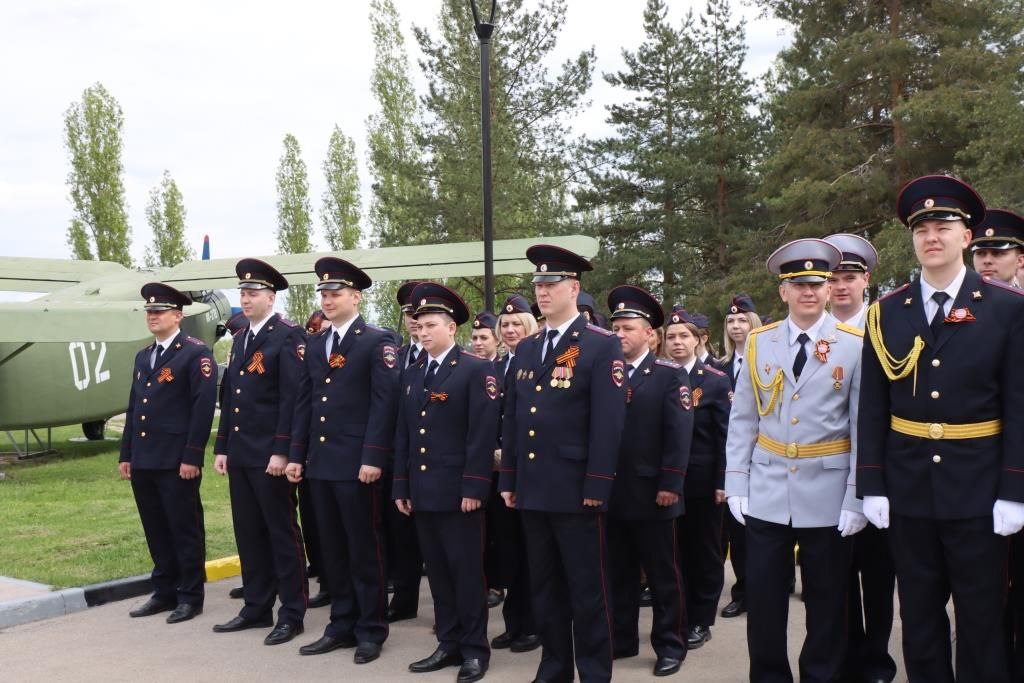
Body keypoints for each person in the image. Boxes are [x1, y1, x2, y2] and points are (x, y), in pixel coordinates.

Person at [859, 175, 1024, 682]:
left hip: (979, 491)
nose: (932, 236)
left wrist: (1014, 490)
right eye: (922, 228)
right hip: (909, 492)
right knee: (920, 618)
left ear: (966, 237)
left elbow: (1019, 404)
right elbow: (872, 405)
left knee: (981, 618)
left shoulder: (1006, 308)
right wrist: (872, 483)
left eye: (944, 225)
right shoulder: (886, 311)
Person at [726, 238, 867, 681]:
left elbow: (862, 426)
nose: (809, 291)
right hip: (767, 491)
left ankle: (821, 675)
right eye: (798, 284)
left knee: (827, 602)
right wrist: (736, 482)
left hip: (827, 491)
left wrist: (855, 497)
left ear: (829, 291)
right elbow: (743, 419)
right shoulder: (758, 342)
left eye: (818, 283)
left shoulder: (855, 344)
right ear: (783, 292)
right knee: (765, 602)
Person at [499, 245, 627, 683]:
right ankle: (553, 668)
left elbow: (609, 424)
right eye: (538, 284)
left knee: (587, 590)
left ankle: (593, 672)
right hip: (534, 489)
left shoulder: (599, 345)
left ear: (574, 287)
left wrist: (598, 483)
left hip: (576, 489)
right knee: (545, 586)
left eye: (551, 284)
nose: (543, 291)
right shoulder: (529, 347)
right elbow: (516, 418)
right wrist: (511, 477)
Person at [287, 257, 399, 664]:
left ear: (356, 296)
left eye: (335, 293)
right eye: (324, 294)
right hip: (321, 462)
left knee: (363, 546)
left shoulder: (376, 341)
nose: (327, 299)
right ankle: (341, 622)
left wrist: (373, 456)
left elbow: (384, 404)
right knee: (332, 549)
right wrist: (297, 454)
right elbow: (306, 402)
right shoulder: (316, 343)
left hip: (357, 464)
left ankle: (371, 629)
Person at [393, 282, 500, 683]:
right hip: (423, 492)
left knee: (466, 574)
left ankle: (474, 650)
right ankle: (449, 641)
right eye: (418, 326)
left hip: (459, 493)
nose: (422, 332)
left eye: (431, 325)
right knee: (437, 573)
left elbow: (481, 434)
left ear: (452, 327)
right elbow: (404, 432)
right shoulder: (414, 371)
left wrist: (475, 487)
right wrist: (401, 486)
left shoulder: (475, 369)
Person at [212, 259, 308, 646]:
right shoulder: (240, 339)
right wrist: (222, 447)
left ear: (271, 297)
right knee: (248, 533)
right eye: (242, 293)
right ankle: (255, 607)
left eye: (253, 293)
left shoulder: (287, 336)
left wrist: (283, 450)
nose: (245, 298)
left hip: (270, 455)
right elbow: (231, 397)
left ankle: (292, 612)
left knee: (281, 533)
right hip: (241, 453)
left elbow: (292, 398)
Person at [606, 285, 692, 677]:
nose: (620, 335)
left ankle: (670, 645)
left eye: (627, 328)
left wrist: (670, 483)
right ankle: (622, 638)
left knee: (663, 575)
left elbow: (679, 434)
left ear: (650, 335)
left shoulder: (668, 377)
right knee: (617, 572)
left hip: (654, 493)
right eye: (616, 328)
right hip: (611, 493)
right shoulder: (605, 374)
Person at [823, 233, 897, 683]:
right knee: (835, 578)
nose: (840, 286)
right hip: (828, 476)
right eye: (832, 278)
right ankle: (846, 657)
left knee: (878, 573)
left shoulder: (888, 326)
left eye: (849, 276)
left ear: (866, 279)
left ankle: (878, 660)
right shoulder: (816, 333)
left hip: (881, 476)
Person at [121, 283, 216, 624]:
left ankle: (190, 595)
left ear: (177, 316)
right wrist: (126, 453)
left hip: (176, 459)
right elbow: (135, 407)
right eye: (149, 311)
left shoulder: (194, 353)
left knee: (184, 527)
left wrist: (192, 456)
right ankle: (164, 591)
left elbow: (202, 407)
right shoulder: (144, 356)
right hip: (146, 457)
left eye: (159, 311)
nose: (153, 316)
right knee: (156, 527)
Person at [663, 308, 731, 650]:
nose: (676, 343)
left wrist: (723, 480)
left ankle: (701, 620)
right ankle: (679, 615)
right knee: (675, 552)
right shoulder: (659, 376)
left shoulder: (715, 380)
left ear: (699, 340)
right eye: (671, 337)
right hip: (667, 485)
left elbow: (725, 436)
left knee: (704, 552)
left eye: (683, 336)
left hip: (704, 482)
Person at [490, 294, 540, 654]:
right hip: (499, 472)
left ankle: (534, 625)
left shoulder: (538, 359)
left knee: (530, 554)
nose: (509, 330)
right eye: (505, 325)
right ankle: (514, 622)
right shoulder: (496, 366)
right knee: (507, 550)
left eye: (516, 325)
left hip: (529, 469)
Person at [716, 295, 762, 619]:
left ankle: (779, 581)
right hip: (732, 457)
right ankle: (744, 591)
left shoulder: (765, 360)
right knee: (738, 530)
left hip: (765, 455)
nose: (736, 326)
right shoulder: (719, 368)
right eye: (731, 321)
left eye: (742, 320)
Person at [385, 280, 426, 623]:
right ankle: (404, 598)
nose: (414, 321)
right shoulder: (395, 355)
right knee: (400, 531)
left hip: (432, 460)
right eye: (410, 314)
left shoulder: (445, 356)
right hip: (397, 455)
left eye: (421, 314)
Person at [971, 209, 1024, 287]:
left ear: (1020, 261)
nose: (987, 261)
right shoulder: (957, 298)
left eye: (997, 253)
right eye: (980, 253)